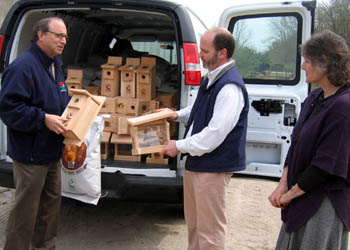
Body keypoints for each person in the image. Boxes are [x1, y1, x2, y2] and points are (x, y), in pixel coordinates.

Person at [160, 27, 249, 250]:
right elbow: (199, 109)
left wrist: (178, 146)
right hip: (198, 164)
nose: (199, 55)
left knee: (210, 232)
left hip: (212, 168)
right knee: (195, 226)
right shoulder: (211, 79)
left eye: (204, 50)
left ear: (222, 53)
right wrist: (176, 114)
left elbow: (214, 134)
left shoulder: (230, 87)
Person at [268, 29, 350, 250]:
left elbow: (325, 166)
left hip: (322, 205)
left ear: (326, 63)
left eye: (308, 61)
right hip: (300, 198)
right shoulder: (315, 97)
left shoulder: (343, 108)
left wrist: (289, 195)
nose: (303, 66)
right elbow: (295, 145)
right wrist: (283, 184)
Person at [0, 17, 70, 250]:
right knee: (25, 213)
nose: (63, 41)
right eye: (58, 35)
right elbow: (9, 110)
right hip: (30, 154)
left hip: (52, 151)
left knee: (50, 210)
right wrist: (43, 119)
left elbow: (59, 98)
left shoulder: (56, 65)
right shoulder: (22, 67)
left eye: (66, 37)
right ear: (41, 34)